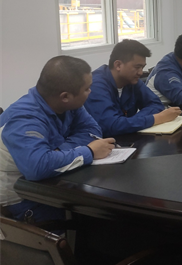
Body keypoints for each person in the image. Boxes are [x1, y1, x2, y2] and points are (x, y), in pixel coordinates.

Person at [0, 56, 115, 223]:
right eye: (87, 89)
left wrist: (58, 152)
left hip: (49, 183)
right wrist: (89, 152)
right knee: (97, 220)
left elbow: (92, 131)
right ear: (65, 96)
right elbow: (36, 167)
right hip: (22, 199)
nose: (90, 92)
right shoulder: (25, 118)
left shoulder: (68, 104)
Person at [85, 40, 181, 136]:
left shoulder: (132, 81)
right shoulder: (95, 85)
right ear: (118, 65)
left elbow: (156, 104)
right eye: (137, 67)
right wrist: (156, 118)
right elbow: (111, 125)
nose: (140, 72)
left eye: (142, 67)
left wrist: (130, 122)